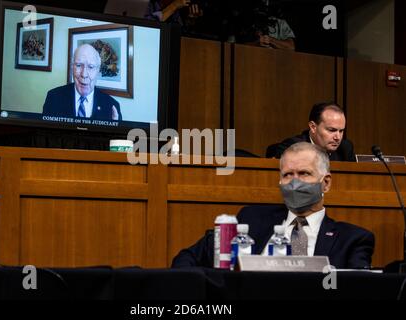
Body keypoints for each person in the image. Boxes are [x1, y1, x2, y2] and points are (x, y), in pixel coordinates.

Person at [172, 142, 374, 269]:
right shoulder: (250, 220)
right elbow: (187, 259)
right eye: (287, 175)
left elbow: (357, 290)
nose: (295, 182)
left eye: (304, 173)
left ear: (326, 183)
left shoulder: (353, 239)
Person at [42, 44, 122, 121]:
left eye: (91, 67)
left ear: (98, 71)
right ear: (72, 67)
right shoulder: (53, 98)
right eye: (79, 65)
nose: (84, 74)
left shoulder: (112, 106)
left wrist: (113, 130)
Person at [266, 102, 356, 161]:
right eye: (332, 130)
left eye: (341, 131)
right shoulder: (293, 147)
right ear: (313, 127)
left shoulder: (345, 148)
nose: (338, 137)